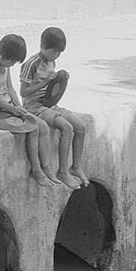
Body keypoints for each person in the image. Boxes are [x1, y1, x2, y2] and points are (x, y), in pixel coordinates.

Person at [0, 34, 59, 188]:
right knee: (32, 127)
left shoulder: (5, 65)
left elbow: (10, 88)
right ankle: (36, 169)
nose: (13, 64)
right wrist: (11, 109)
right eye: (12, 61)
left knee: (42, 126)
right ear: (3, 55)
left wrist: (19, 107)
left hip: (8, 106)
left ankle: (46, 166)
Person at [20, 26, 89, 190]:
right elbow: (23, 92)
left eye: (59, 53)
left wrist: (61, 79)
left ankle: (75, 167)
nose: (57, 55)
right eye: (55, 51)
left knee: (81, 126)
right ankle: (63, 171)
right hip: (34, 107)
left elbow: (53, 91)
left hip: (49, 105)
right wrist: (45, 82)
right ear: (43, 46)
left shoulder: (52, 61)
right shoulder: (31, 64)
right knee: (66, 128)